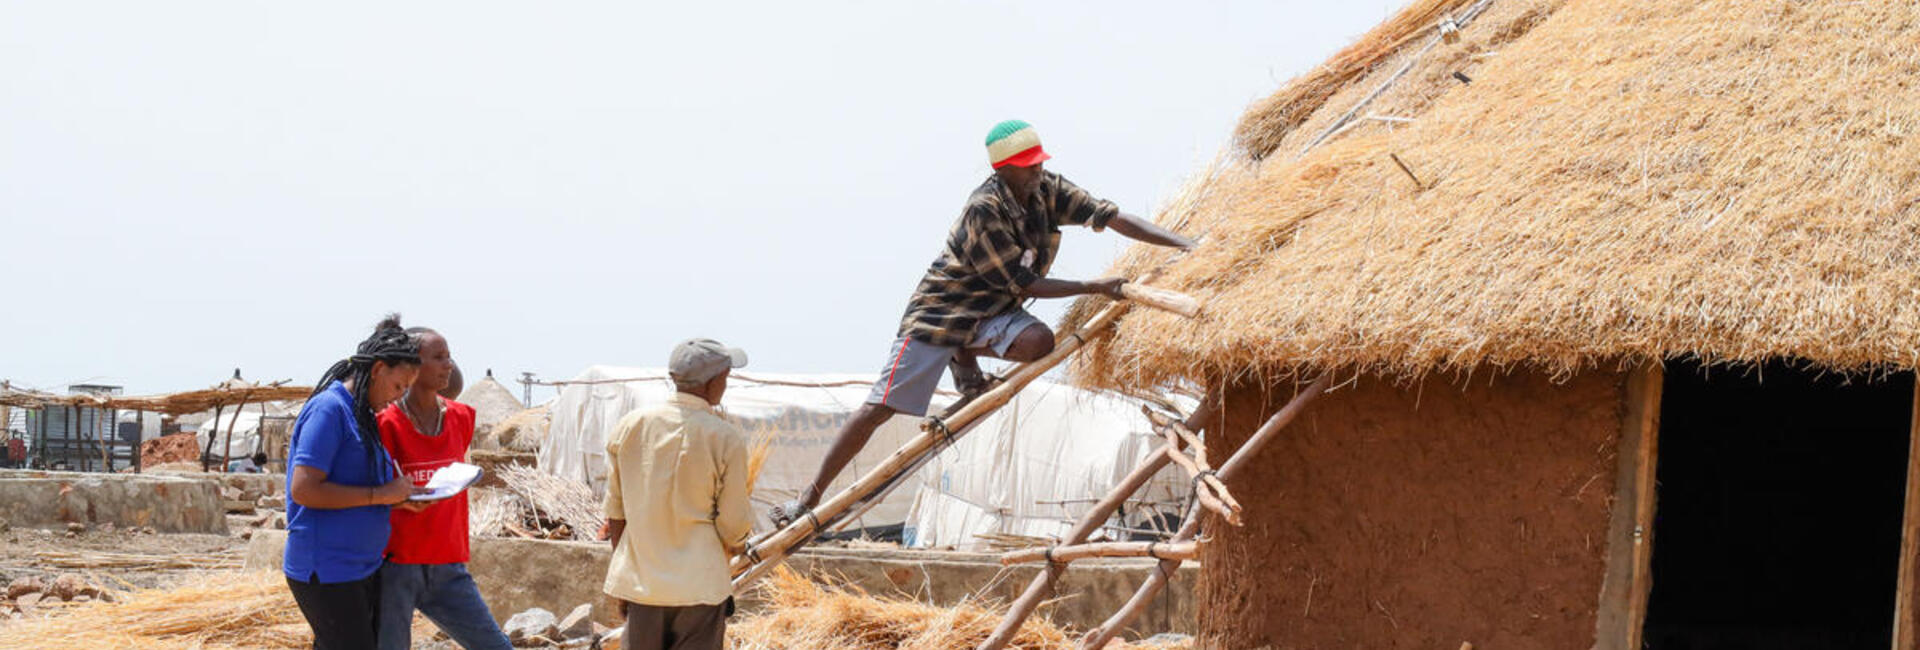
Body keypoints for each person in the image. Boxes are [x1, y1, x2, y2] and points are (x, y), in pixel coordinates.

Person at [772, 120, 1194, 524]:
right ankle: (808, 497)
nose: (1038, 171)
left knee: (1038, 341)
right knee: (880, 408)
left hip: (993, 309)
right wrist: (1095, 286)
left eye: (1040, 163)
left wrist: (1186, 245)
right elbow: (1024, 283)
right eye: (1029, 166)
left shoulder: (1049, 191)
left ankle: (964, 354)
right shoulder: (984, 210)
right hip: (943, 313)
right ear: (1003, 168)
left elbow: (1111, 216)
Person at [603, 338, 754, 650]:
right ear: (713, 382)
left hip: (644, 586)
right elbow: (734, 523)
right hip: (700, 587)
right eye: (725, 378)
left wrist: (625, 581)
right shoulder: (725, 438)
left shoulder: (630, 427)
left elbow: (616, 515)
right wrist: (739, 545)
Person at [283, 315, 423, 650]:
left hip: (358, 567)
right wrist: (381, 495)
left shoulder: (363, 414)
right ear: (377, 370)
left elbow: (363, 487)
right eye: (398, 386)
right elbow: (304, 489)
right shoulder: (330, 410)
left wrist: (397, 498)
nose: (399, 398)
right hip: (327, 569)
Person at [375, 326, 511, 650]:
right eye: (438, 357)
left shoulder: (461, 418)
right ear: (412, 365)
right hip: (397, 564)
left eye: (449, 357)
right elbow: (376, 491)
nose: (448, 365)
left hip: (447, 561)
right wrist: (400, 499)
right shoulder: (386, 423)